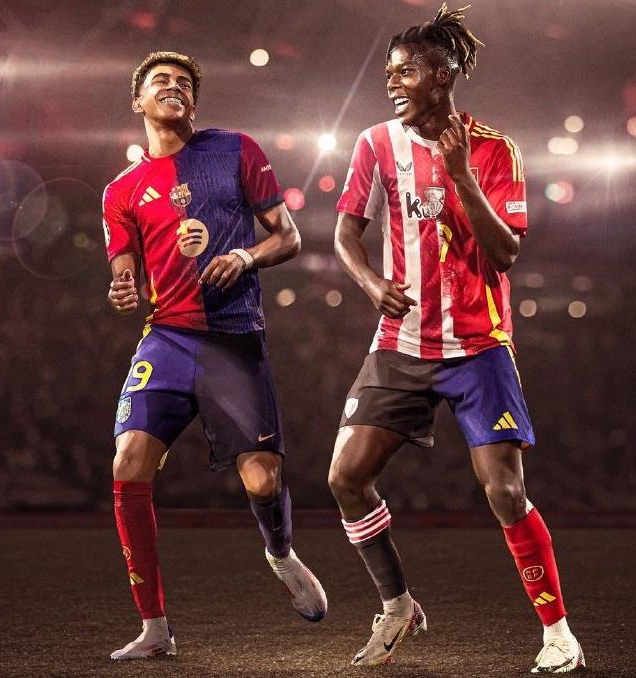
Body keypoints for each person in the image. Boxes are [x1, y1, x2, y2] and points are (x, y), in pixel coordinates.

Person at [328, 5, 584, 673]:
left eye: (406, 71)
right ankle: (397, 606)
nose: (392, 83)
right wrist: (370, 283)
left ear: (442, 75)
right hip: (401, 341)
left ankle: (558, 633)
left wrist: (462, 173)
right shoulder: (375, 144)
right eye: (389, 73)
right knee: (346, 477)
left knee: (505, 493)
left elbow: (505, 254)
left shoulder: (496, 148)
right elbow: (345, 232)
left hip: (477, 345)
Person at [102, 51, 327, 660]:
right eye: (160, 81)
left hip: (233, 336)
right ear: (138, 101)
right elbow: (124, 268)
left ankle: (280, 553)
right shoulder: (120, 191)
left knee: (263, 478)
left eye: (184, 82)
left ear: (194, 103)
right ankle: (155, 628)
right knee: (128, 462)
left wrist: (246, 257)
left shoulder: (235, 150)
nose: (173, 87)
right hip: (167, 337)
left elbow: (288, 236)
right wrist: (122, 286)